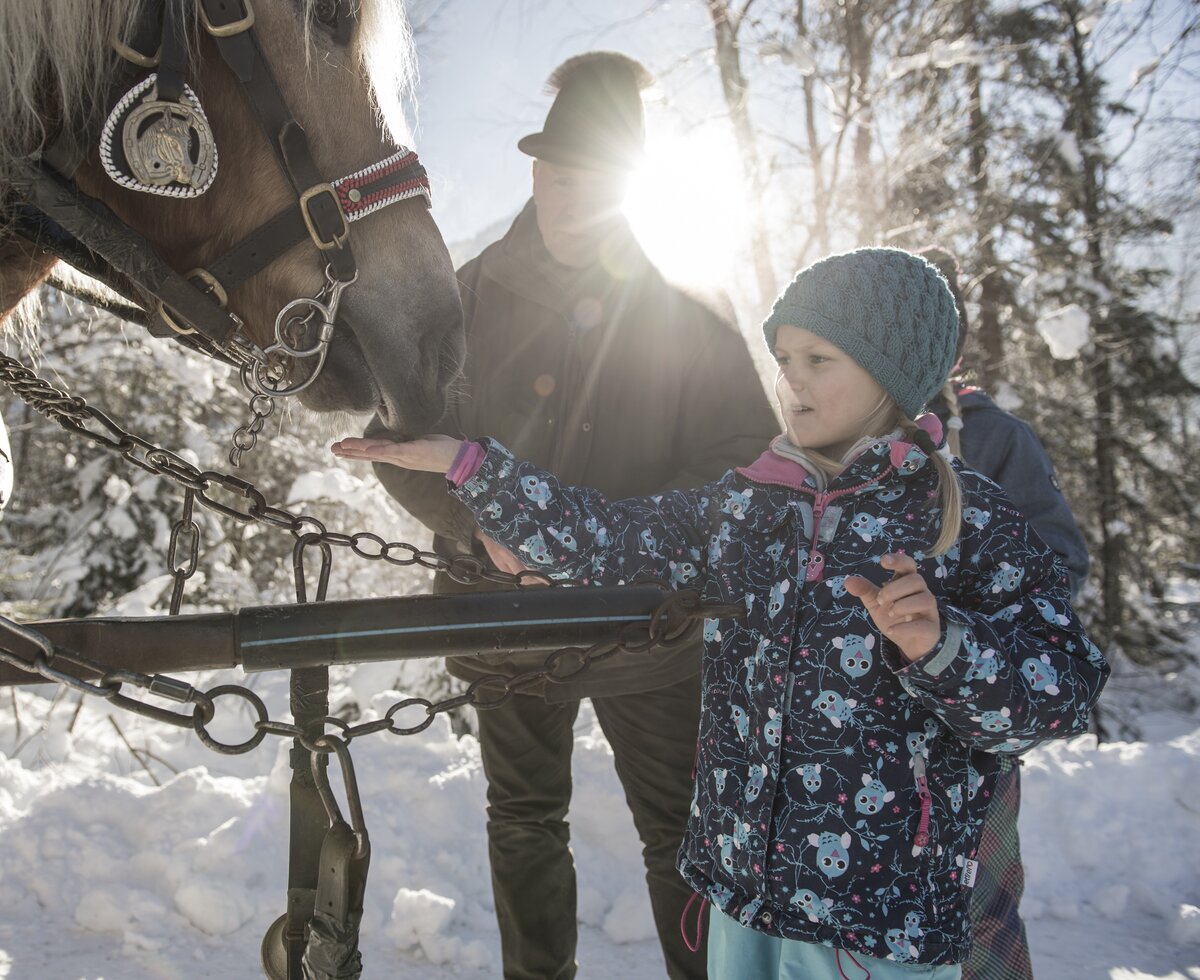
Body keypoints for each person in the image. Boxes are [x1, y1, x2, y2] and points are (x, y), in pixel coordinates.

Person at [334, 246, 1110, 980]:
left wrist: (945, 648)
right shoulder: (750, 506)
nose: (790, 382)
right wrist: (471, 467)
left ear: (891, 373)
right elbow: (612, 537)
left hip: (878, 918)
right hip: (744, 901)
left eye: (818, 360)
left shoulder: (964, 518)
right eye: (783, 360)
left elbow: (1062, 691)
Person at [364, 51, 779, 979]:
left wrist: (626, 544)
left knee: (680, 831)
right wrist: (479, 530)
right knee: (522, 821)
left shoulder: (689, 307)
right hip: (501, 619)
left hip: (653, 627)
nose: (565, 198)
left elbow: (741, 466)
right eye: (553, 175)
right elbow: (398, 442)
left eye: (589, 180)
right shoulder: (462, 300)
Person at [918, 247, 1090, 980]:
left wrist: (961, 630)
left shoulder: (991, 439)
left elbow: (1058, 566)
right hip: (861, 740)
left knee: (978, 914)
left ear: (953, 342)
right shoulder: (840, 440)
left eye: (933, 330)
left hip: (970, 737)